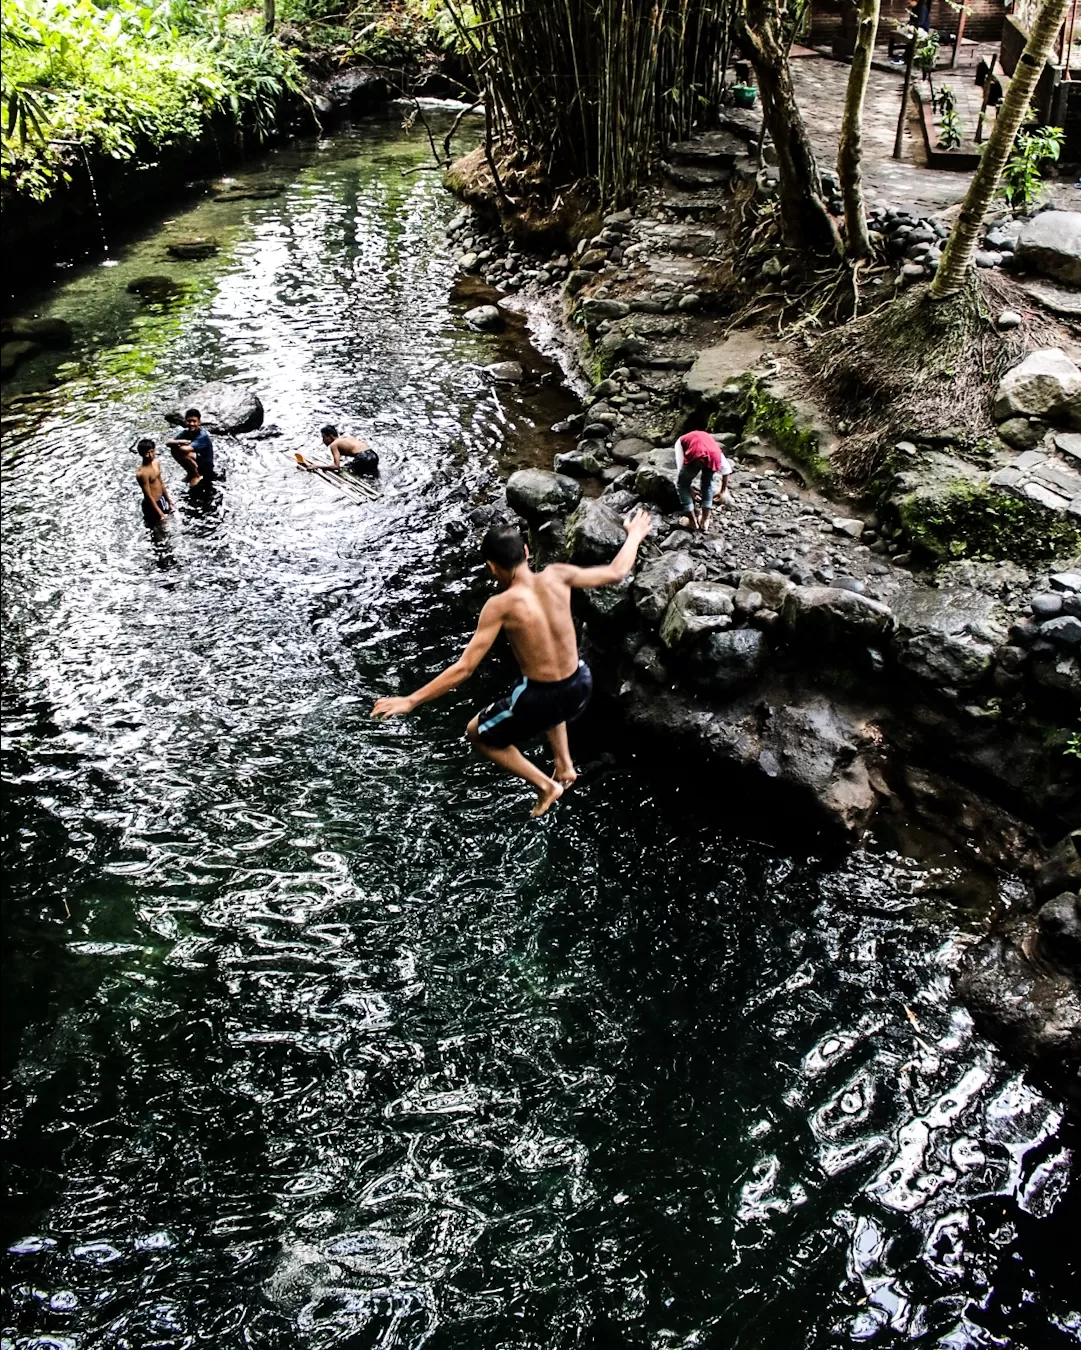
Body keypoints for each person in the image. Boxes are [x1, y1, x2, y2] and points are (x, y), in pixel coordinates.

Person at [372, 509, 653, 817]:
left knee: (477, 733)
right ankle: (565, 765)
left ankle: (547, 786)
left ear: (492, 567)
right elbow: (616, 572)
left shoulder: (500, 606)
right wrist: (635, 535)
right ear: (527, 551)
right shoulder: (558, 574)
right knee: (538, 690)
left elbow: (465, 668)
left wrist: (412, 700)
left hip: (544, 697)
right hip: (581, 683)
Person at [675, 428, 733, 533]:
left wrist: (689, 490)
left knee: (681, 486)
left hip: (696, 455)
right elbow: (727, 470)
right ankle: (704, 520)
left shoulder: (680, 441)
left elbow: (682, 476)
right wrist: (722, 491)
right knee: (707, 484)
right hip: (713, 456)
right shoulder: (712, 444)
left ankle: (692, 522)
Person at [166, 408, 215, 487]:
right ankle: (190, 472)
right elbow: (168, 442)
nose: (191, 424)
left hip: (206, 465)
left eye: (194, 421)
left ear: (199, 422)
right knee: (174, 450)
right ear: (185, 422)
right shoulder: (186, 432)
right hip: (196, 459)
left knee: (183, 452)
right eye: (189, 421)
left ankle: (196, 475)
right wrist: (180, 442)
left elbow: (186, 449)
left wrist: (176, 444)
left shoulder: (202, 436)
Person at [135, 439, 174, 527]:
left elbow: (161, 482)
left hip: (161, 499)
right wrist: (160, 513)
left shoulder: (156, 463)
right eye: (147, 453)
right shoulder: (142, 473)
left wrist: (169, 500)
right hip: (152, 505)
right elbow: (148, 495)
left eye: (152, 451)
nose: (150, 455)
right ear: (142, 454)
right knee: (156, 528)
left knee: (167, 525)